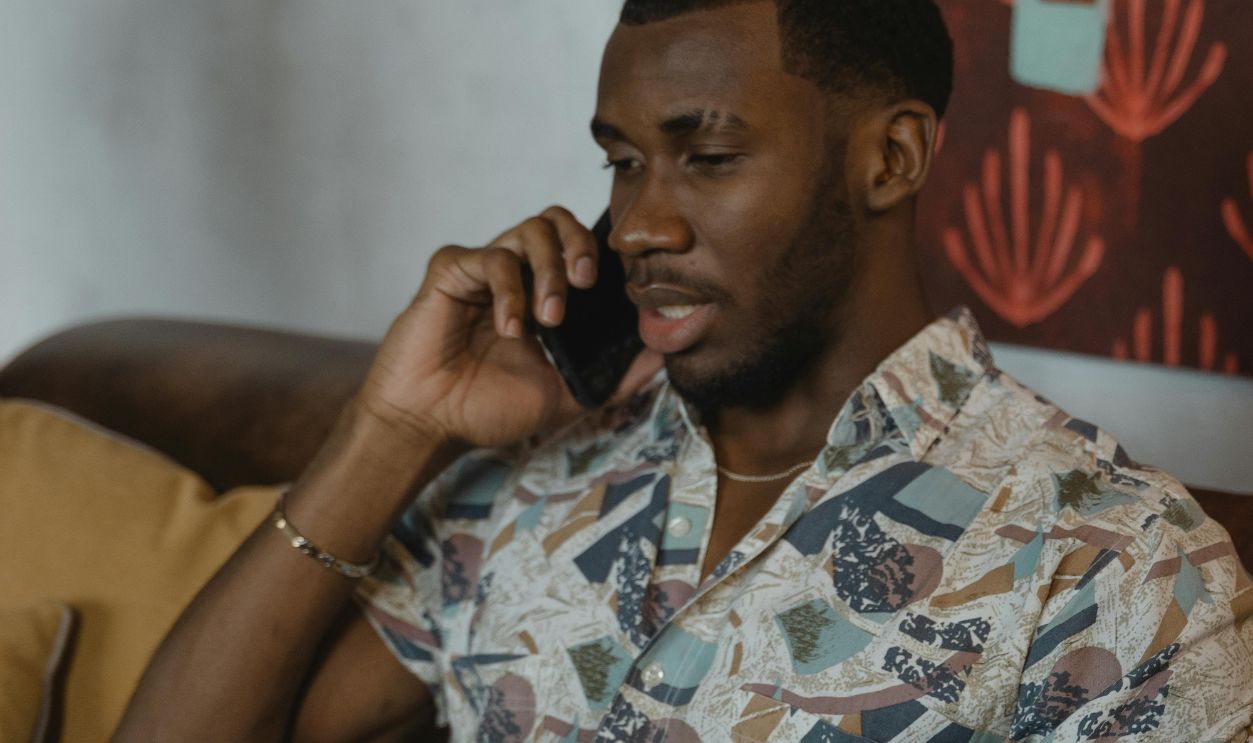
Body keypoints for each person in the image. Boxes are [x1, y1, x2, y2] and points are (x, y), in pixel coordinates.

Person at [115, 1, 1253, 741]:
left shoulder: (1115, 568)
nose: (637, 224)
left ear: (890, 158)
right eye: (620, 162)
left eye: (705, 157)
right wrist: (390, 423)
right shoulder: (527, 481)